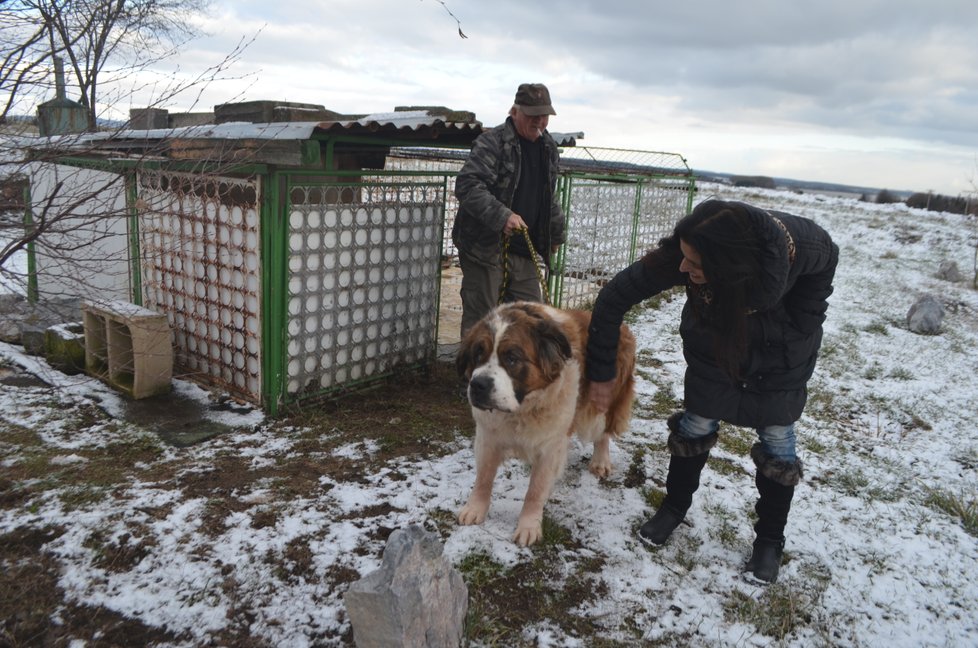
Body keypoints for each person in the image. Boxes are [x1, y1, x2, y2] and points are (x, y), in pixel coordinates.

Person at [585, 198, 839, 583]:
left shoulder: (801, 245)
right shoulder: (690, 250)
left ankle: (769, 542)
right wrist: (602, 373)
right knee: (695, 424)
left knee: (778, 441)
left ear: (729, 264)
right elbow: (613, 298)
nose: (684, 268)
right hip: (715, 347)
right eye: (683, 258)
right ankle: (673, 509)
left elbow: (828, 258)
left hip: (780, 357)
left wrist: (803, 320)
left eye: (696, 265)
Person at [452, 83, 566, 338]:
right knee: (483, 324)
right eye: (532, 115)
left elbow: (548, 197)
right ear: (515, 112)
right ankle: (473, 376)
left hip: (524, 250)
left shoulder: (548, 148)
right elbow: (468, 185)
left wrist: (555, 234)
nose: (539, 122)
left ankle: (513, 377)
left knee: (531, 322)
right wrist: (502, 216)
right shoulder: (492, 143)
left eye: (544, 116)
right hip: (485, 249)